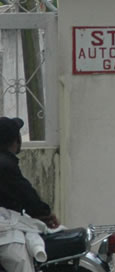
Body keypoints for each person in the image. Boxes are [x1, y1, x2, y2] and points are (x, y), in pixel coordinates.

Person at [0, 117, 57, 272]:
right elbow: (26, 194)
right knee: (21, 264)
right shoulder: (5, 165)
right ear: (16, 140)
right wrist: (45, 214)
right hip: (5, 230)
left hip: (8, 224)